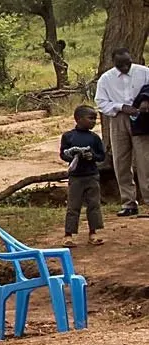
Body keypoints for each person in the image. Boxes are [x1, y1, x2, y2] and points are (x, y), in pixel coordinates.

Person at [98, 49, 149, 217]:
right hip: (118, 118)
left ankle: (148, 201)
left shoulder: (144, 72)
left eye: (127, 63)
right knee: (121, 161)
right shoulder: (106, 79)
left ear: (131, 59)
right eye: (121, 65)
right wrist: (120, 107)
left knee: (145, 160)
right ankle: (128, 202)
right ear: (114, 63)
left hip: (142, 118)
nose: (125, 67)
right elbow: (101, 102)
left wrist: (145, 102)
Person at [62, 104, 110, 246]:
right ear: (78, 119)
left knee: (94, 205)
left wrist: (91, 156)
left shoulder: (94, 138)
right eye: (90, 118)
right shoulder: (68, 136)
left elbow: (101, 156)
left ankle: (93, 233)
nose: (93, 121)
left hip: (92, 176)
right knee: (73, 206)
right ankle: (68, 235)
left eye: (95, 119)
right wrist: (72, 155)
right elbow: (63, 154)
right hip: (76, 176)